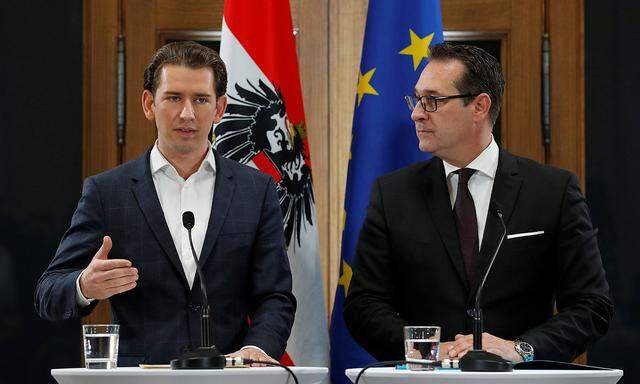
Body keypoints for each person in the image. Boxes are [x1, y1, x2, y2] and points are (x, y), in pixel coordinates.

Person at [343, 43, 612, 363]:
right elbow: (363, 305)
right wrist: (426, 349)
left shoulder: (552, 191)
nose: (416, 112)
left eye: (432, 100)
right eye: (417, 99)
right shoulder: (393, 194)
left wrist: (520, 349)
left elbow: (591, 305)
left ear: (480, 106)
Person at [35, 41, 296, 366]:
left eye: (200, 99)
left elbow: (275, 295)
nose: (187, 113)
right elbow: (48, 292)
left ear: (220, 108)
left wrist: (257, 348)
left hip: (229, 375)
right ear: (149, 103)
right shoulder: (107, 192)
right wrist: (84, 285)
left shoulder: (256, 191)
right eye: (174, 97)